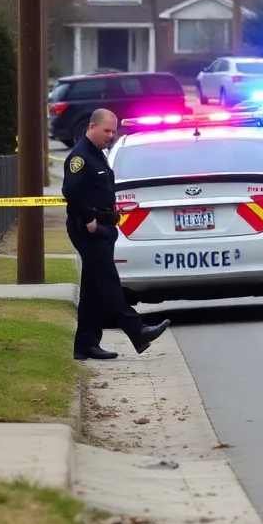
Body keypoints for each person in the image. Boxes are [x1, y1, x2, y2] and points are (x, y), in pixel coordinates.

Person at [63, 108, 170, 361]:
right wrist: (89, 217)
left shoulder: (97, 154)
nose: (110, 135)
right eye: (106, 131)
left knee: (93, 288)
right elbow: (70, 190)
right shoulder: (80, 156)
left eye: (113, 131)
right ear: (91, 127)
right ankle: (137, 330)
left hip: (103, 228)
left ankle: (86, 343)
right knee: (109, 281)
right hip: (88, 229)